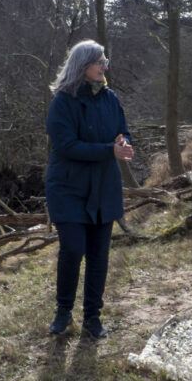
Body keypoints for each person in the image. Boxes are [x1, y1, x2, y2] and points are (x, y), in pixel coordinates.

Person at [45, 40, 134, 339]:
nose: (105, 66)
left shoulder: (111, 99)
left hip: (103, 188)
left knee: (99, 254)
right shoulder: (62, 102)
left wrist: (124, 143)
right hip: (68, 188)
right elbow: (67, 146)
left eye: (105, 61)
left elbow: (123, 130)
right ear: (82, 66)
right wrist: (109, 151)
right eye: (99, 61)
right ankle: (63, 312)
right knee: (72, 248)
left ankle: (92, 318)